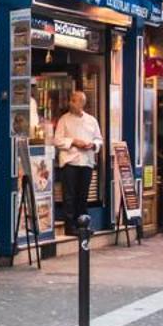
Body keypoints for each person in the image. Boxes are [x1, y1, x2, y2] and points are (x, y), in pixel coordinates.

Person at [53, 89, 104, 230]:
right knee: (69, 196)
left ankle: (83, 224)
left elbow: (99, 139)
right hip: (70, 162)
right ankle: (70, 226)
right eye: (71, 100)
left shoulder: (91, 120)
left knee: (83, 195)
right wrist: (74, 141)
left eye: (74, 100)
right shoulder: (64, 120)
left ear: (82, 103)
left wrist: (93, 145)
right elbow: (57, 140)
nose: (71, 103)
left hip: (86, 162)